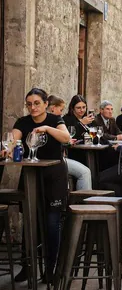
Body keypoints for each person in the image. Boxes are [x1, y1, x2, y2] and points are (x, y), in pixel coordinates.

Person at [12, 88, 71, 282]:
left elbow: (66, 138)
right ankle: (27, 266)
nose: (33, 107)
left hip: (53, 177)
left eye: (37, 103)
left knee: (52, 224)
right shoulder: (23, 122)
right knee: (29, 222)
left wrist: (46, 129)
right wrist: (10, 146)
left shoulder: (55, 120)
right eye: (29, 104)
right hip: (30, 175)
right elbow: (14, 140)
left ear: (46, 104)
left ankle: (51, 268)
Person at [45, 95, 92, 191]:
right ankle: (83, 203)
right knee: (85, 172)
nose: (82, 110)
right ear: (53, 108)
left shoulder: (54, 120)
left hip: (61, 157)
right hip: (57, 158)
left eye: (84, 107)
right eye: (61, 110)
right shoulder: (60, 120)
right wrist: (67, 141)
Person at [63, 95, 94, 166]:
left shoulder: (88, 119)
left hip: (89, 151)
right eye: (78, 108)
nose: (82, 110)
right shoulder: (66, 119)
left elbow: (94, 135)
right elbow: (71, 136)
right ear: (72, 108)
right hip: (74, 153)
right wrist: (81, 124)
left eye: (84, 107)